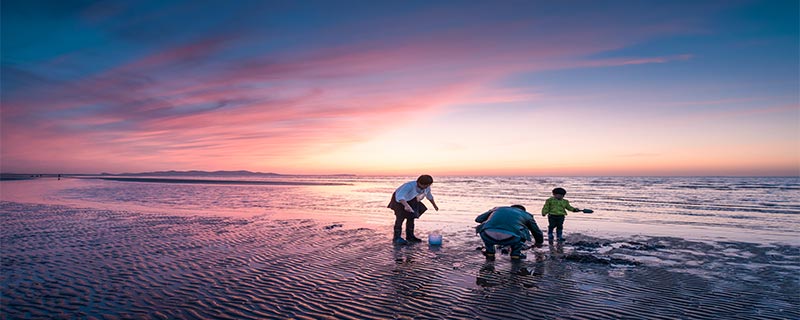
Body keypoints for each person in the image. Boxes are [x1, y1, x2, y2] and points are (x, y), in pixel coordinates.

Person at [475, 205, 544, 260]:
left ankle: (489, 252)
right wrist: (539, 242)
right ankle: (515, 254)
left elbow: (478, 219)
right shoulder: (527, 215)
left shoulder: (498, 209)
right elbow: (536, 231)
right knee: (523, 230)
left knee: (485, 227)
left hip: (487, 235)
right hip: (512, 238)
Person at [387, 175, 439, 245]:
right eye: (424, 185)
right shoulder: (409, 186)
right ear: (419, 182)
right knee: (400, 218)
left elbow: (429, 196)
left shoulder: (427, 187)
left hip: (411, 198)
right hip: (399, 199)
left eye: (427, 185)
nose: (425, 187)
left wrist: (434, 205)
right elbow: (400, 196)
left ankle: (410, 237)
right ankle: (396, 238)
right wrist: (406, 206)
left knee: (411, 217)